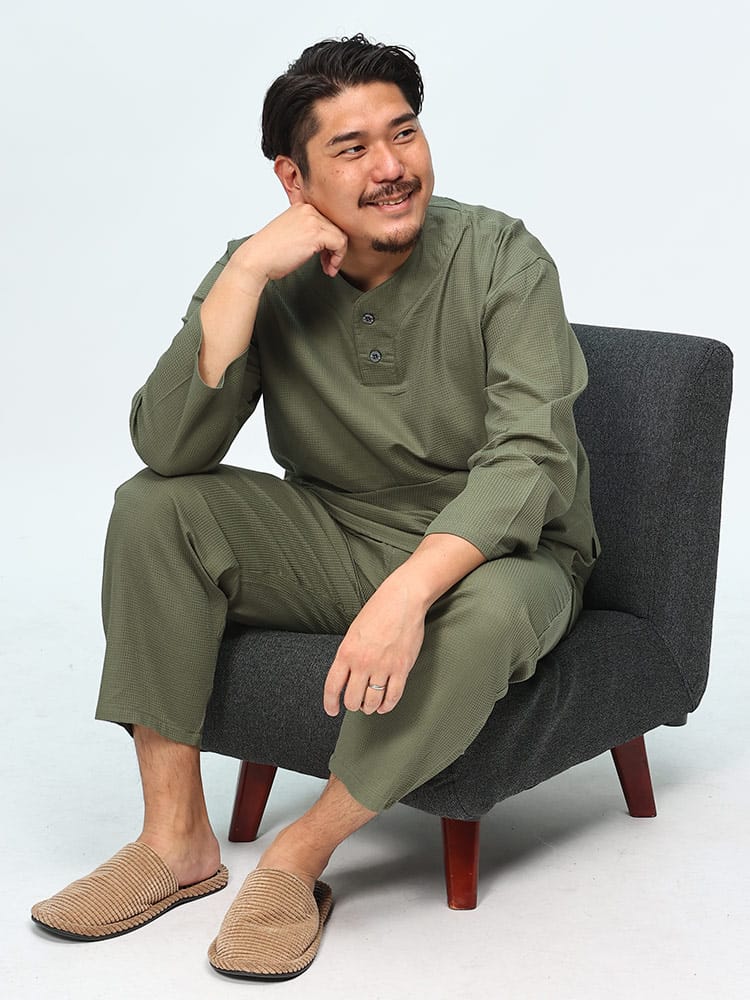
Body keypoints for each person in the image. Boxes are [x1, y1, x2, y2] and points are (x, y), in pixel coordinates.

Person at [31, 34, 599, 980]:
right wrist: (244, 278)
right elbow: (170, 450)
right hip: (338, 532)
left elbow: (530, 457)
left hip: (509, 555)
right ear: (293, 179)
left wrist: (408, 594)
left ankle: (299, 856)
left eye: (404, 134)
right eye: (352, 148)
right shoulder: (262, 267)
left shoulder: (503, 255)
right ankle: (174, 843)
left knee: (491, 611)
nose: (391, 167)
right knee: (153, 509)